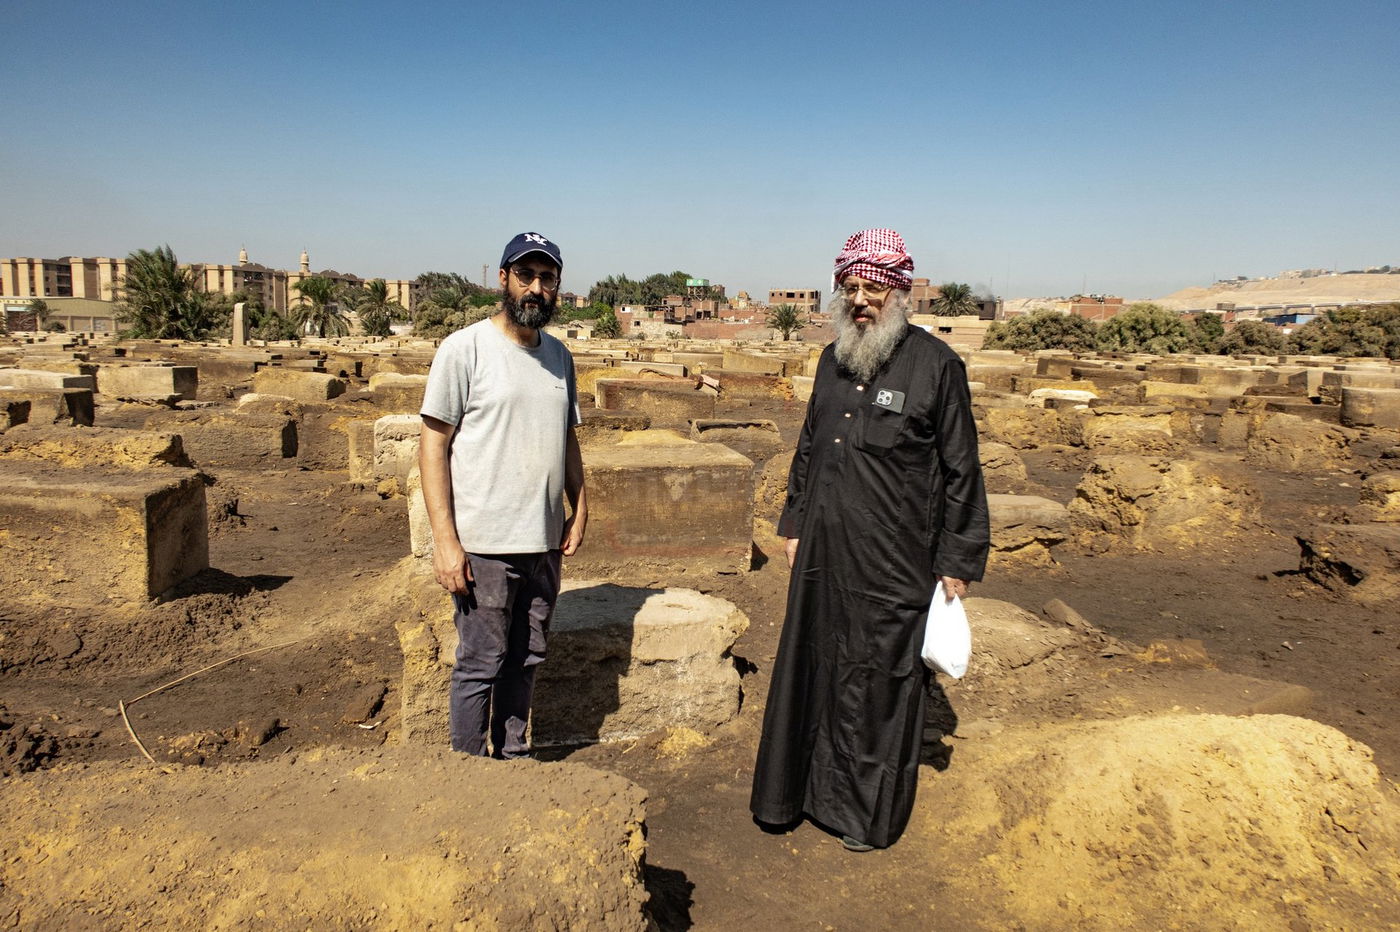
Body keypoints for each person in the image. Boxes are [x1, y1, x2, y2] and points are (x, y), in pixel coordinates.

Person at [750, 228, 990, 850]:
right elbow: (808, 448)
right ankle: (790, 796)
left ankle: (860, 817)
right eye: (850, 287)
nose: (860, 299)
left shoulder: (938, 367)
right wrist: (796, 523)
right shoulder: (832, 362)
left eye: (872, 287)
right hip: (823, 554)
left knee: (877, 683)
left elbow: (962, 467)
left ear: (899, 291)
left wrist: (957, 560)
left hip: (894, 562)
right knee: (812, 667)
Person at [418, 231, 587, 758]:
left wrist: (580, 509)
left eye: (547, 278)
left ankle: (512, 762)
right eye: (526, 276)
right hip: (484, 546)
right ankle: (469, 777)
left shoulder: (559, 357)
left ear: (558, 287)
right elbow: (432, 447)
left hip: (541, 545)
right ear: (503, 279)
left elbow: (566, 440)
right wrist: (445, 543)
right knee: (480, 665)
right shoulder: (464, 349)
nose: (537, 288)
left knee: (526, 659)